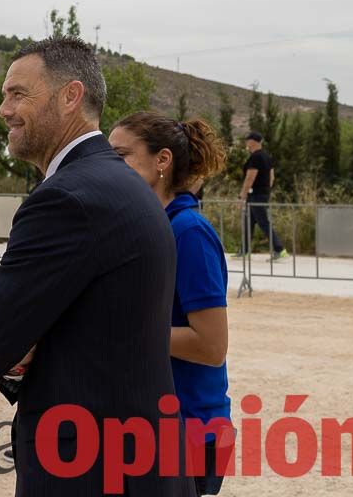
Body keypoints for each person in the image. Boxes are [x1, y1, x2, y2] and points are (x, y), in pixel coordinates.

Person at [0, 37, 193, 496]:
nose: (4, 109)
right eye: (5, 95)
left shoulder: (65, 199)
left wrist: (2, 341)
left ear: (70, 97)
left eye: (18, 93)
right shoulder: (125, 185)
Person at [109, 113, 232, 495]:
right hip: (147, 424)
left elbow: (212, 347)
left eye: (121, 155)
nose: (111, 167)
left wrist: (126, 334)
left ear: (162, 160)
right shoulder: (148, 226)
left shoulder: (189, 232)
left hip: (191, 429)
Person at [240, 131, 287, 261]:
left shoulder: (255, 157)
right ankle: (244, 251)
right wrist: (266, 189)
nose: (246, 143)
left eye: (247, 140)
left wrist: (242, 196)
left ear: (252, 141)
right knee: (248, 222)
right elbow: (271, 177)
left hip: (255, 195)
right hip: (262, 193)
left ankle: (279, 249)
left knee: (263, 222)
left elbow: (250, 178)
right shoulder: (266, 156)